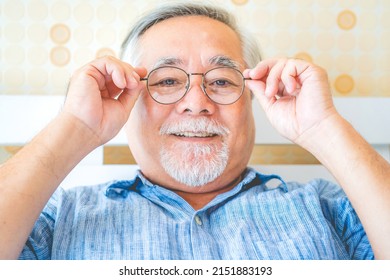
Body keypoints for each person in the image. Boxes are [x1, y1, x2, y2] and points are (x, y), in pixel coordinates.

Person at [0, 2, 389, 260]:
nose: (196, 102)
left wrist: (323, 128)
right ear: (128, 96)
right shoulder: (57, 218)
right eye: (167, 81)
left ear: (253, 98)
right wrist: (77, 127)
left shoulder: (330, 211)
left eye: (221, 81)